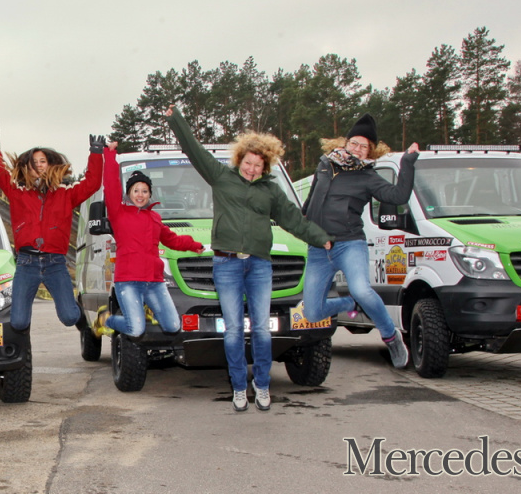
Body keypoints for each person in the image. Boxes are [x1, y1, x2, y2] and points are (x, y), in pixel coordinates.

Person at [165, 105, 331, 413]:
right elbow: (194, 150)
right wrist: (176, 119)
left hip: (259, 266)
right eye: (248, 163)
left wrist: (322, 238)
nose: (252, 169)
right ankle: (239, 386)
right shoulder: (220, 177)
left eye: (258, 165)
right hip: (226, 264)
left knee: (262, 330)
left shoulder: (271, 191)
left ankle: (262, 385)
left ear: (265, 167)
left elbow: (294, 220)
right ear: (239, 159)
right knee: (232, 331)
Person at [300, 114, 420, 369]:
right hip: (319, 248)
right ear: (345, 142)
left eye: (363, 146)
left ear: (370, 151)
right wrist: (302, 221)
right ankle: (350, 304)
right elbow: (310, 200)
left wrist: (408, 163)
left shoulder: (368, 177)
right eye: (354, 143)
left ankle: (391, 336)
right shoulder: (325, 164)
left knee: (362, 289)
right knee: (312, 312)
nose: (357, 149)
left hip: (349, 243)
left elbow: (398, 195)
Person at [0, 116, 102, 335]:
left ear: (51, 164)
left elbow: (92, 183)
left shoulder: (65, 194)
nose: (39, 165)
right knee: (18, 322)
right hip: (27, 263)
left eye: (43, 161)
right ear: (27, 167)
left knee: (69, 317)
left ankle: (79, 313)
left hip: (55, 263)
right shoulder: (17, 193)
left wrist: (96, 153)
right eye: (34, 162)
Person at [100, 140, 205, 337]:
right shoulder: (118, 213)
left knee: (173, 326)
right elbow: (111, 184)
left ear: (149, 194)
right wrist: (110, 155)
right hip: (129, 281)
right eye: (136, 190)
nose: (140, 195)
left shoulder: (155, 218)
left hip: (154, 282)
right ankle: (107, 320)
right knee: (135, 329)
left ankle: (142, 314)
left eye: (144, 191)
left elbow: (172, 240)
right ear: (129, 193)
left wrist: (194, 245)